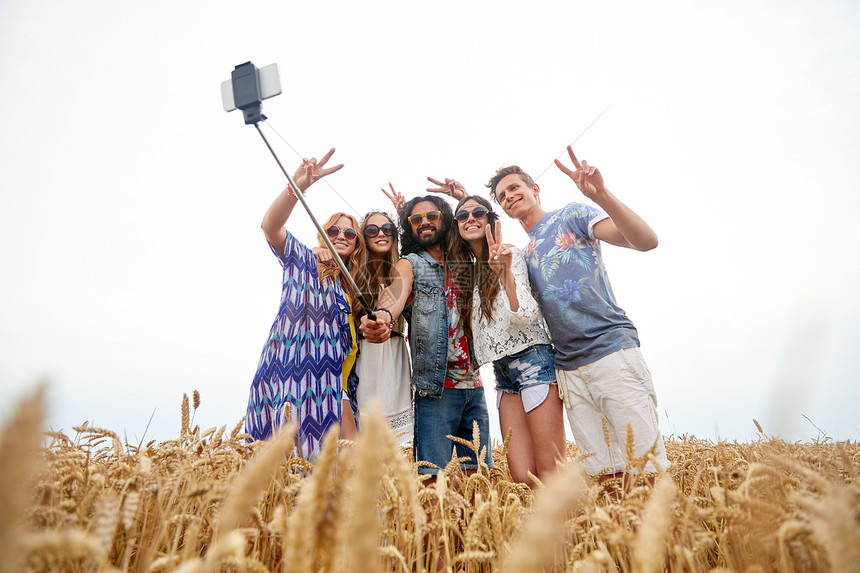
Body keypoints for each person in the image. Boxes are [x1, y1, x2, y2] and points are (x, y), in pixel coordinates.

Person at [487, 146, 670, 486]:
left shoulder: (572, 215)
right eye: (501, 196)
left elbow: (646, 241)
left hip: (611, 352)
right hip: (569, 371)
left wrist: (602, 195)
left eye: (514, 188)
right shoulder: (522, 254)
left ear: (534, 189)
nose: (508, 196)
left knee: (647, 471)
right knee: (606, 479)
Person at [360, 193, 494, 479]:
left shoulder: (464, 263)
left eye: (432, 216)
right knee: (434, 481)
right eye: (416, 219)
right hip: (435, 390)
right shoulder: (410, 263)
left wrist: (463, 198)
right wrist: (383, 317)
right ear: (410, 227)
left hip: (474, 386)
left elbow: (484, 228)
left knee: (479, 481)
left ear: (445, 220)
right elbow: (394, 296)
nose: (424, 223)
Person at [245, 149, 359, 461]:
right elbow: (270, 227)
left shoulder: (354, 289)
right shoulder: (303, 259)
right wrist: (297, 186)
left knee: (344, 469)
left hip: (334, 386)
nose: (341, 235)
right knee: (289, 465)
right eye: (333, 229)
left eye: (350, 232)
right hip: (290, 376)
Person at [447, 194, 565, 485]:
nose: (470, 218)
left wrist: (505, 275)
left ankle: (569, 530)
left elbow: (525, 313)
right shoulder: (468, 271)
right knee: (522, 477)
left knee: (550, 473)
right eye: (462, 216)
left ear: (491, 219)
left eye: (478, 213)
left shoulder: (509, 254)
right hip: (503, 374)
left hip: (532, 362)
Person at [349, 209, 414, 442]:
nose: (381, 234)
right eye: (372, 230)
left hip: (395, 356)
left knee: (399, 441)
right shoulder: (352, 272)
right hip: (364, 359)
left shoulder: (404, 272)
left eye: (388, 229)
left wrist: (403, 210)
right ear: (363, 236)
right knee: (364, 438)